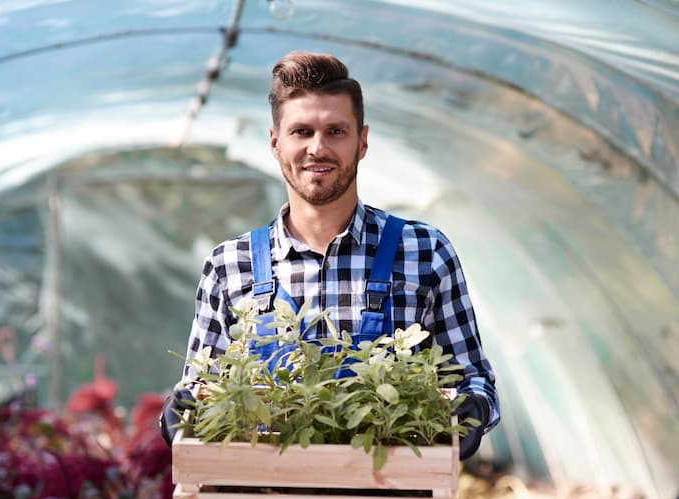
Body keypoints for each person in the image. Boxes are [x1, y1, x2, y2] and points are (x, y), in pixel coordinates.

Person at [161, 50, 500, 460]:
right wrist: (178, 409)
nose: (317, 148)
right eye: (301, 132)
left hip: (389, 495)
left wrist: (473, 408)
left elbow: (473, 378)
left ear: (363, 142)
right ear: (274, 143)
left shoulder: (424, 252)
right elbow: (201, 388)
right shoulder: (229, 266)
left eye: (335, 131)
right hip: (263, 497)